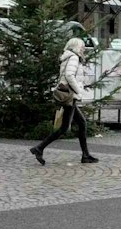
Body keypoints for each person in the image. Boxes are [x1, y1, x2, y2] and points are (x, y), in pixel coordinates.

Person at [30, 37, 98, 166]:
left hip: (69, 95)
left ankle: (85, 155)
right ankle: (39, 148)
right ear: (76, 46)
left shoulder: (68, 57)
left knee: (81, 123)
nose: (83, 49)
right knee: (64, 127)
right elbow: (69, 75)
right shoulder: (73, 58)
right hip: (69, 96)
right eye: (82, 46)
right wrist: (78, 91)